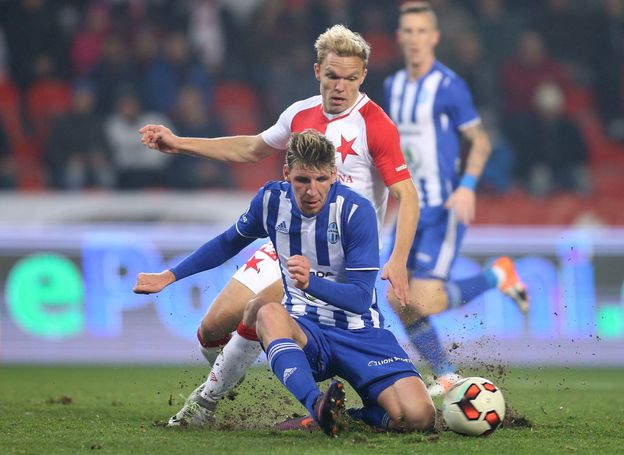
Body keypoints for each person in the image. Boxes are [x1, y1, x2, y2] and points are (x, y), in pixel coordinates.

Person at [138, 24, 418, 421]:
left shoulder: (376, 125)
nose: (341, 87)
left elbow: (408, 195)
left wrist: (399, 258)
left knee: (260, 309)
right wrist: (180, 143)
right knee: (212, 331)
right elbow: (252, 147)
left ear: (363, 77)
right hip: (289, 240)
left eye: (351, 79)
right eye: (333, 76)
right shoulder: (300, 113)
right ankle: (257, 369)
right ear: (317, 71)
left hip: (338, 255)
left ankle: (206, 404)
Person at [134, 130, 435, 435]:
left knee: (419, 417)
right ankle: (316, 406)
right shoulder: (270, 200)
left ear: (333, 175)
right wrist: (170, 275)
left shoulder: (356, 212)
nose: (311, 191)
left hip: (359, 333)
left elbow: (359, 298)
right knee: (265, 312)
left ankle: (351, 417)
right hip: (305, 330)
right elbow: (228, 243)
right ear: (287, 173)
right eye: (302, 180)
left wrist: (310, 283)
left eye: (320, 179)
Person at [383, 2, 529, 396]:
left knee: (423, 301)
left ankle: (497, 276)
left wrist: (467, 185)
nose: (414, 39)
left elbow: (480, 141)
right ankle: (446, 375)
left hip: (444, 208)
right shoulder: (393, 87)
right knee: (398, 299)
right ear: (400, 38)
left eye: (420, 31)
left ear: (434, 37)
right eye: (407, 32)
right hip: (409, 208)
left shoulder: (449, 86)